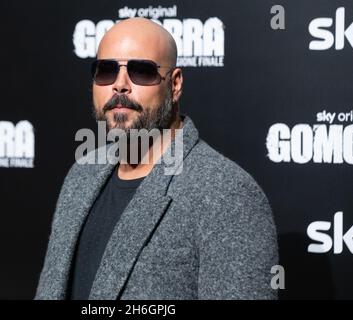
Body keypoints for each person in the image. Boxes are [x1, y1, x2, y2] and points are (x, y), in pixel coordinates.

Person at [36, 17, 278, 300]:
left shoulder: (226, 193)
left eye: (141, 71)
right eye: (106, 71)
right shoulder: (81, 175)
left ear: (175, 84)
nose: (120, 86)